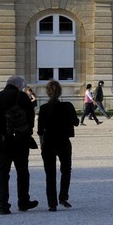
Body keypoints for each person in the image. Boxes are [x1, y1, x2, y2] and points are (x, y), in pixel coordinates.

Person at [0, 75, 39, 215]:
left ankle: (3, 205)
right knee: (22, 173)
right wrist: (26, 133)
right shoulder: (22, 97)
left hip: (1, 143)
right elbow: (30, 119)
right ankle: (23, 202)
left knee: (2, 174)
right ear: (19, 86)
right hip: (20, 141)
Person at [37, 80, 79, 210]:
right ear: (60, 92)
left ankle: (52, 204)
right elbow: (76, 122)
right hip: (63, 142)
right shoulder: (68, 106)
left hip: (49, 142)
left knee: (50, 174)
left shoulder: (43, 109)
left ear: (48, 92)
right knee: (66, 171)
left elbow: (39, 130)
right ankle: (63, 197)